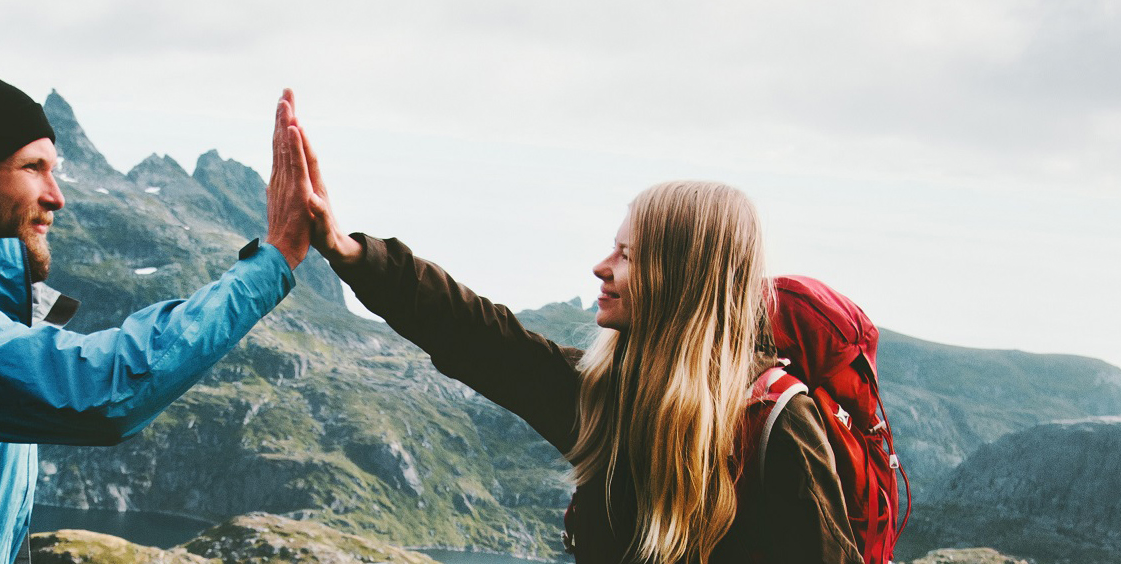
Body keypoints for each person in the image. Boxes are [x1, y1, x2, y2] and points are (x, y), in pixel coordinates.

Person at [271, 93, 862, 564]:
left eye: (629, 255)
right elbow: (476, 336)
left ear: (683, 277)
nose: (602, 267)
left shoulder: (777, 432)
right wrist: (348, 253)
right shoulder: (607, 394)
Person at [0, 60, 312, 564]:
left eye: (53, 169)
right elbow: (99, 390)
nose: (57, 196)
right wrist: (271, 262)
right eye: (32, 168)